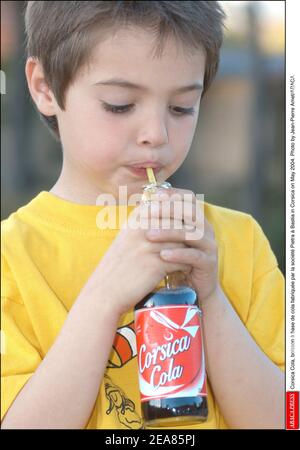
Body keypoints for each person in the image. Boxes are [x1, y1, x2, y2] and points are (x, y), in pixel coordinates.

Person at [1, 1, 284, 429]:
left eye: (182, 107)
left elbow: (285, 419)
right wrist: (104, 295)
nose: (157, 135)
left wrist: (211, 298)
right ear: (44, 88)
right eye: (120, 105)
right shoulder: (11, 257)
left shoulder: (238, 241)